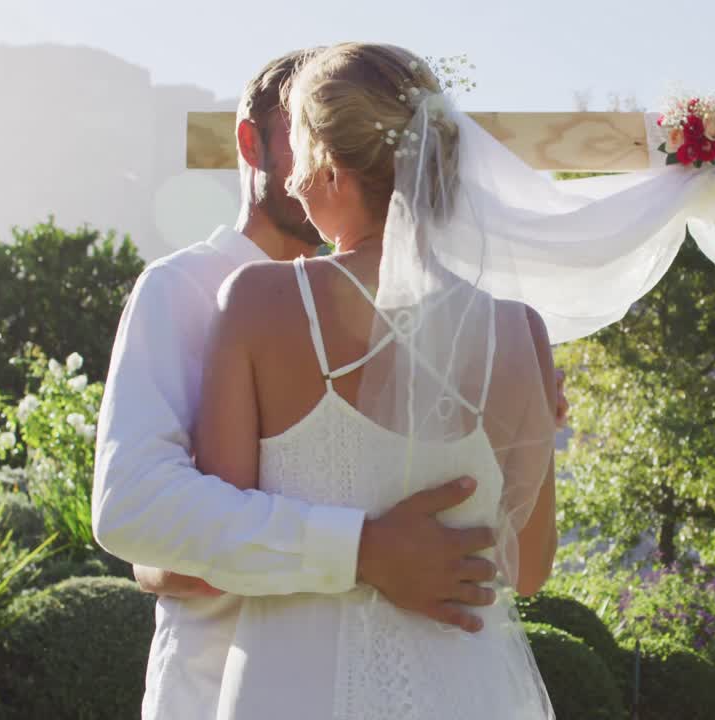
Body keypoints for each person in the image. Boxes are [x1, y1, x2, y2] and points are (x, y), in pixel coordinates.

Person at [91, 48, 521, 720]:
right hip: (227, 688)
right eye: (306, 130)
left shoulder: (439, 313)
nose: (325, 153)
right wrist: (362, 550)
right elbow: (134, 506)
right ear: (251, 142)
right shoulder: (181, 289)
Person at [197, 42, 558, 718]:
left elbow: (217, 544)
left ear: (331, 169)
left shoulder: (258, 302)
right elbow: (529, 570)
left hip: (295, 685)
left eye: (301, 151)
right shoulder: (521, 332)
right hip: (464, 690)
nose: (296, 178)